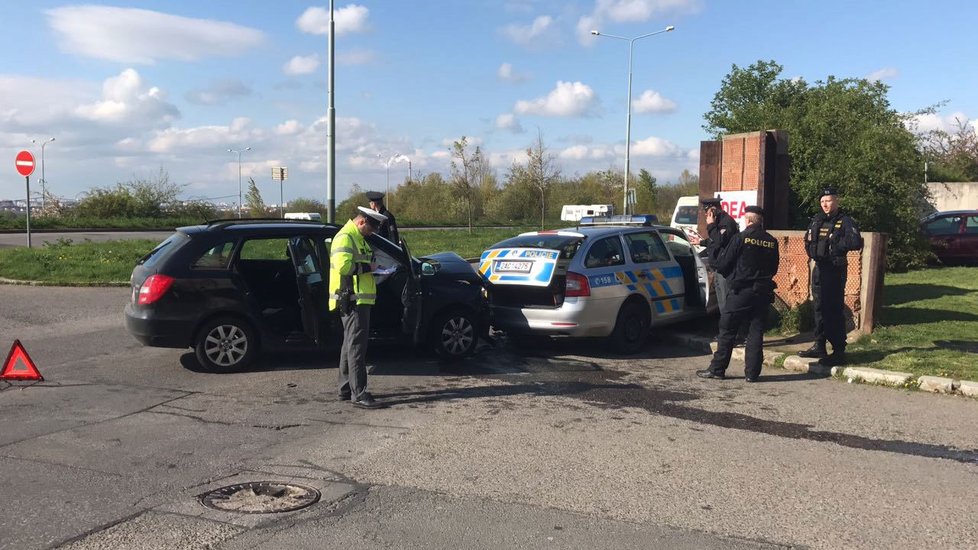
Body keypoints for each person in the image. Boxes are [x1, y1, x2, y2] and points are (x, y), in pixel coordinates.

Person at [696, 205, 779, 382]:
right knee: (756, 332)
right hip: (763, 292)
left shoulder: (740, 238)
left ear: (748, 220)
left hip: (741, 291)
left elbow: (723, 263)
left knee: (727, 329)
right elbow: (774, 268)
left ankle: (717, 369)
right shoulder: (772, 241)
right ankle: (752, 373)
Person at [330, 206, 388, 409]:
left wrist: (373, 268)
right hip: (353, 300)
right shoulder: (346, 237)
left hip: (357, 299)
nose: (371, 233)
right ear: (362, 222)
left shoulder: (356, 237)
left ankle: (345, 388)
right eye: (370, 229)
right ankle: (359, 393)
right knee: (356, 348)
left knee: (349, 345)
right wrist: (369, 268)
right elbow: (343, 267)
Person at [798, 187, 863, 366]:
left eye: (828, 200)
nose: (825, 204)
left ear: (837, 201)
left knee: (833, 310)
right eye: (822, 202)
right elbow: (808, 240)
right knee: (818, 308)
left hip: (835, 269)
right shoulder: (817, 220)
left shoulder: (846, 221)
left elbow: (855, 242)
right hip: (819, 268)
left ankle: (838, 351)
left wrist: (835, 246)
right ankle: (819, 345)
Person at [688, 197, 739, 310]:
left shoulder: (727, 223)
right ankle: (725, 326)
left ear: (713, 210)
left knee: (726, 305)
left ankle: (729, 327)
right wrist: (701, 242)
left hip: (726, 271)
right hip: (718, 268)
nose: (705, 214)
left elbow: (720, 240)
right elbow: (713, 240)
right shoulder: (718, 222)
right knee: (721, 305)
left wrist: (711, 225)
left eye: (706, 211)